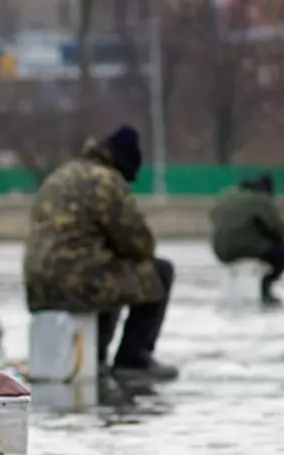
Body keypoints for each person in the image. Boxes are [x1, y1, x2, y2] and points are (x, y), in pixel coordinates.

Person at [23, 124, 178, 380]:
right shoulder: (106, 181)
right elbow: (140, 245)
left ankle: (96, 357)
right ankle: (134, 358)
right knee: (159, 271)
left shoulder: (60, 175)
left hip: (38, 289)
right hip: (79, 284)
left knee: (106, 271)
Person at [209, 173, 284, 307]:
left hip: (220, 251)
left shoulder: (226, 196)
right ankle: (266, 286)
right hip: (246, 249)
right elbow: (277, 229)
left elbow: (213, 216)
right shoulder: (260, 200)